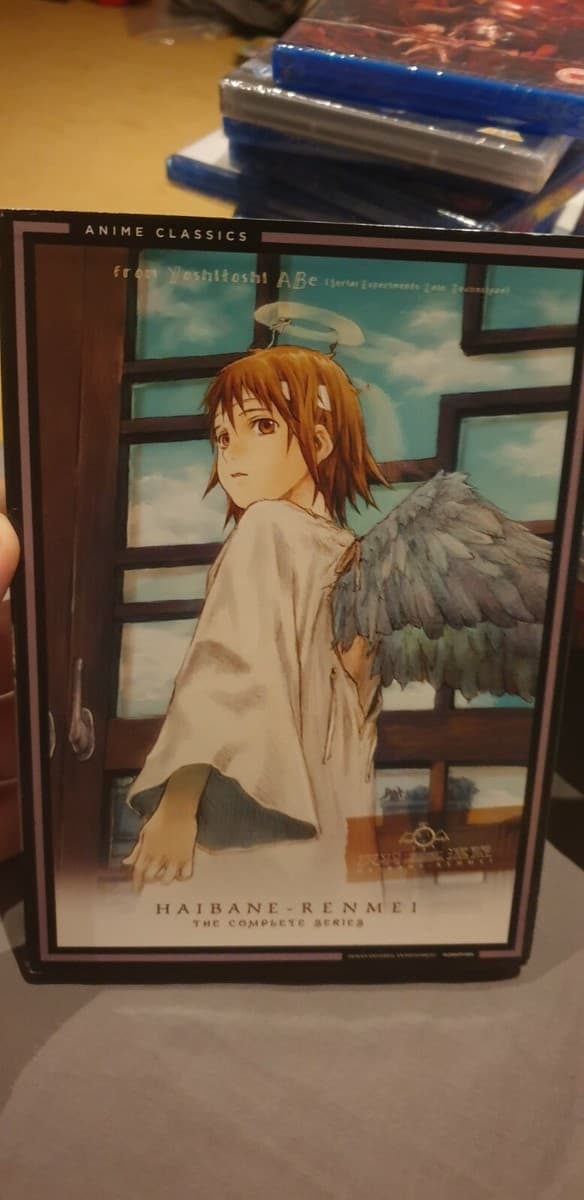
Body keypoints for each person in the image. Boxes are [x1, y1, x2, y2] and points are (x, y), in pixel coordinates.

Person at [124, 345, 388, 895]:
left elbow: (226, 670)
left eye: (262, 425)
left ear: (319, 442)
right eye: (222, 437)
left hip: (260, 819)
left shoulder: (268, 527)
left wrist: (177, 805)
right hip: (333, 815)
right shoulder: (356, 556)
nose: (232, 451)